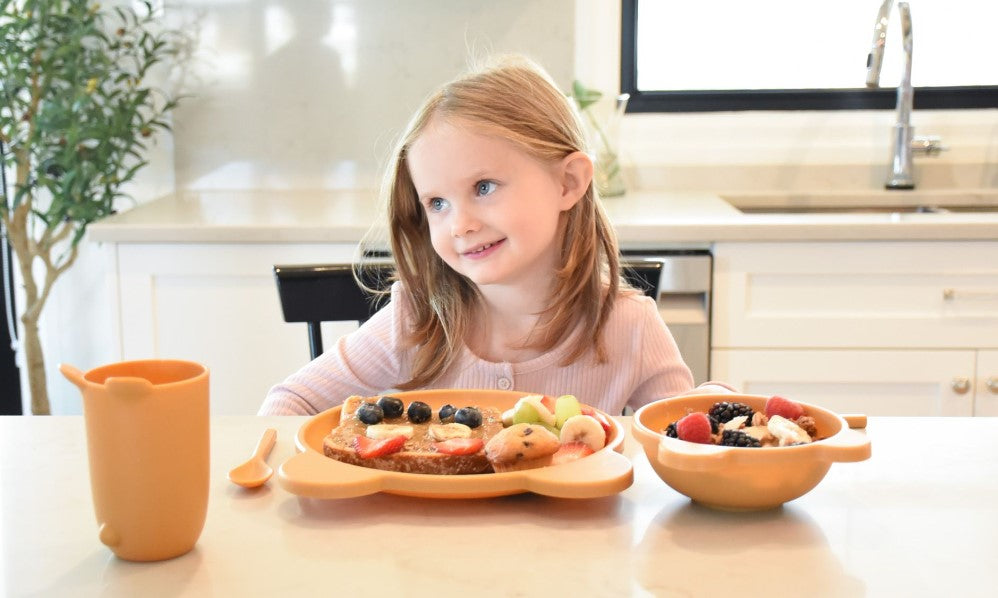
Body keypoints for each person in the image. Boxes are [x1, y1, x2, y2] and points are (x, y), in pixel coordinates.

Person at [259, 55, 730, 416]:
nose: (459, 224)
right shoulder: (417, 321)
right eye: (437, 203)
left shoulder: (628, 327)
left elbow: (680, 440)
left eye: (483, 188)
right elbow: (287, 404)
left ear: (567, 183)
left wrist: (717, 410)